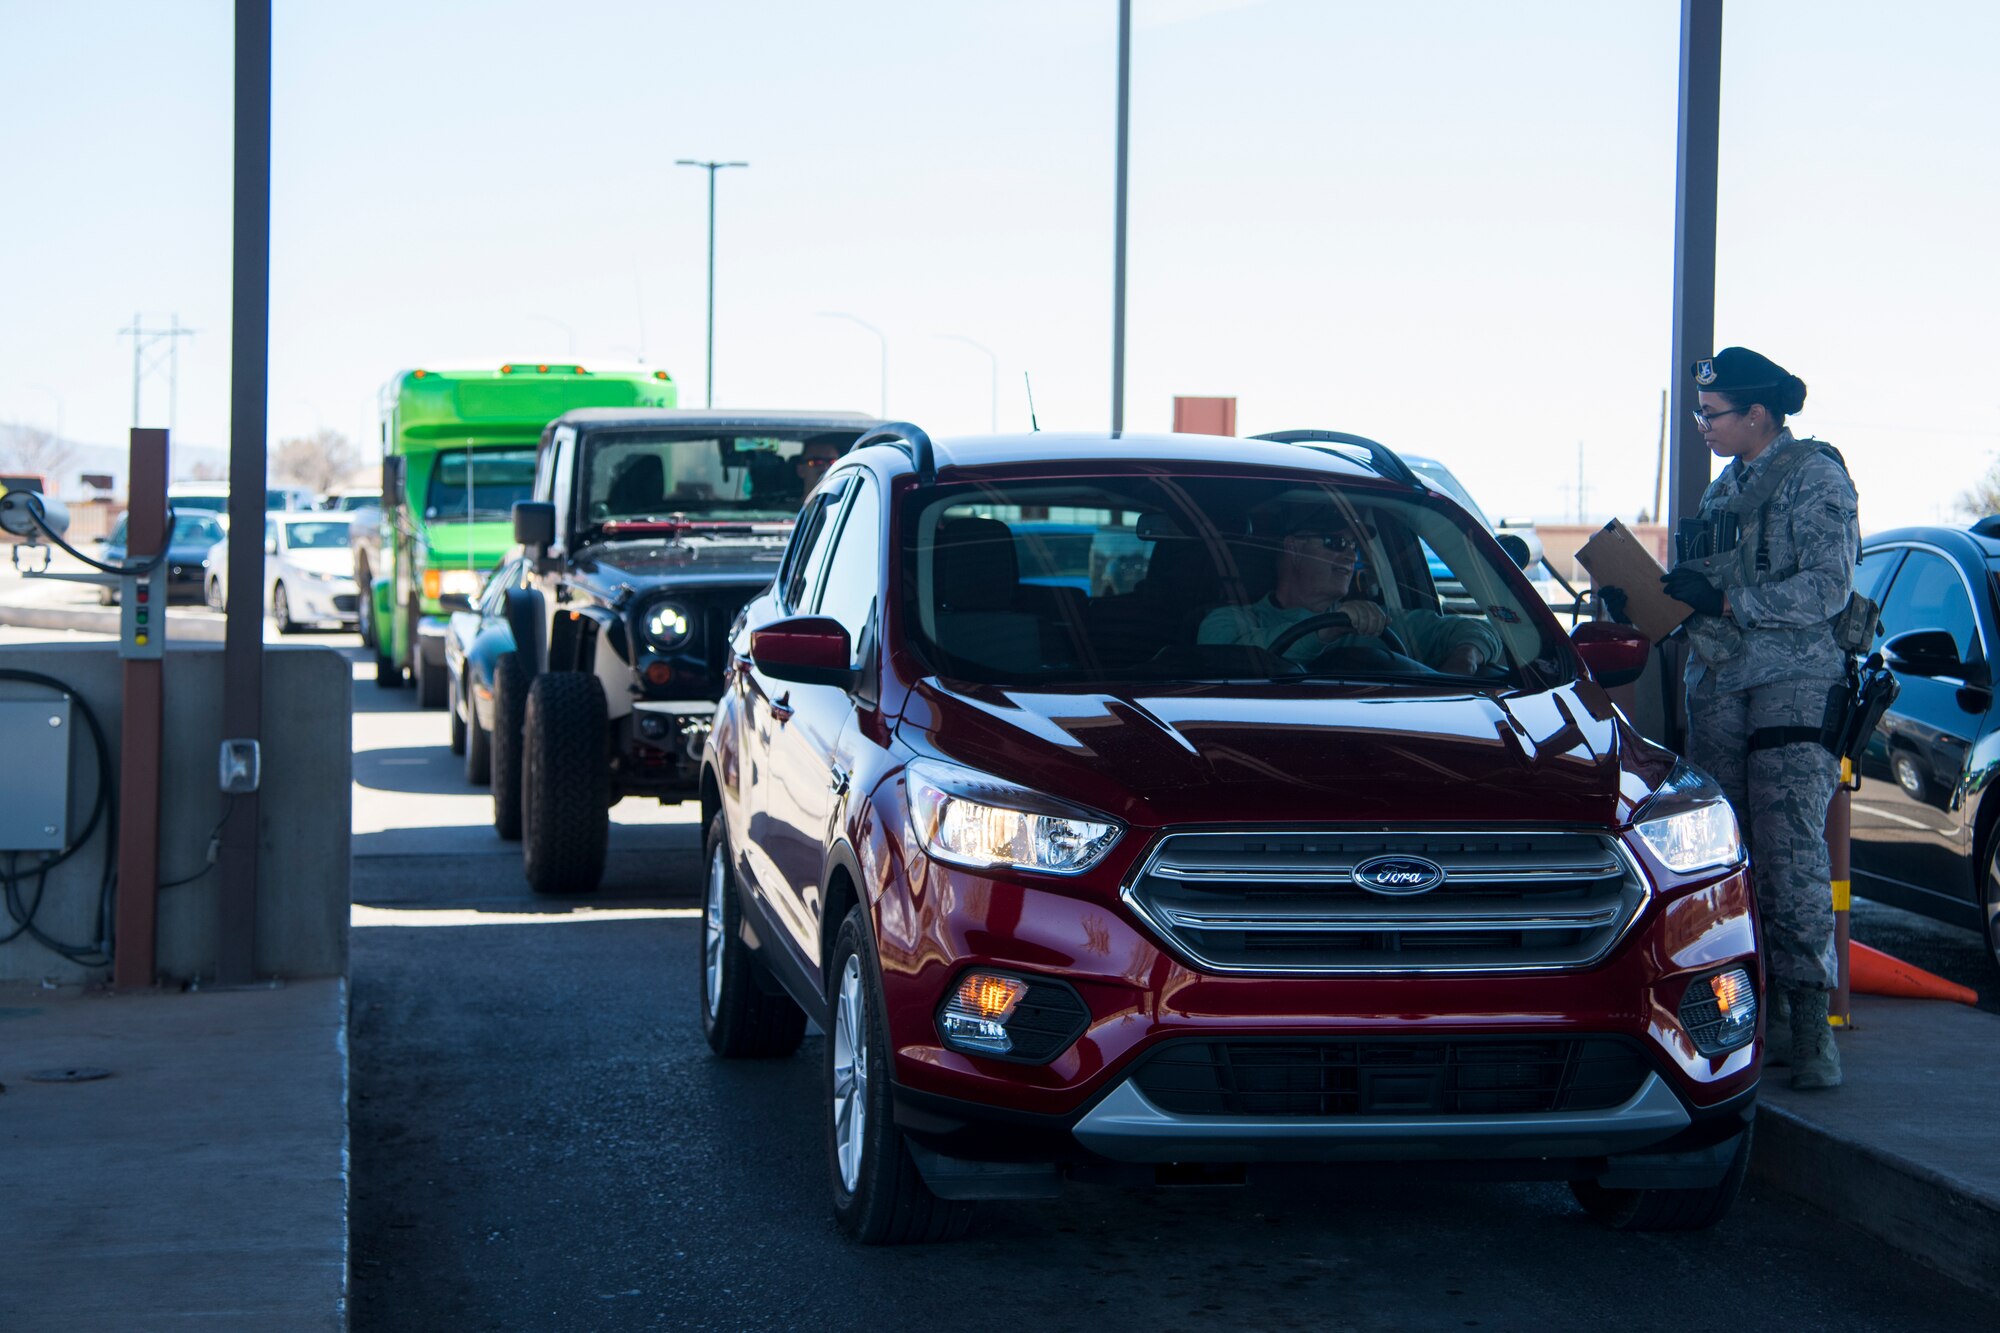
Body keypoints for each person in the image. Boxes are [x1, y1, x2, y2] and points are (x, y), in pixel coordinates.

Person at [1610, 346, 1858, 1090]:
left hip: (1792, 686)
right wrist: (1654, 598)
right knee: (1729, 865)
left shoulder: (1816, 476)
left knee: (1791, 858)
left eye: (1711, 414)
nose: (1702, 425)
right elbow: (1710, 587)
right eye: (1696, 412)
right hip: (1720, 686)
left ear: (1757, 413)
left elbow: (1828, 587)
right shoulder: (1725, 493)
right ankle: (1756, 1018)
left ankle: (1811, 1031)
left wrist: (1726, 602)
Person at [1196, 506, 1503, 673]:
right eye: (1336, 543)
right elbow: (1238, 661)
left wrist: (1466, 657)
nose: (1350, 555)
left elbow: (1477, 630)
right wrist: (1324, 631)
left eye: (1354, 546)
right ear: (1294, 548)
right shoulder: (1228, 621)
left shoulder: (1373, 621)